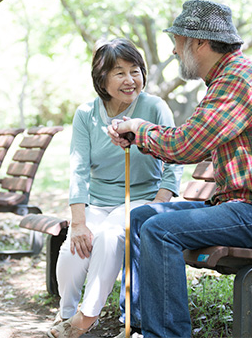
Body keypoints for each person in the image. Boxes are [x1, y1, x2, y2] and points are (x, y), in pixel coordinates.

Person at [108, 0, 252, 338]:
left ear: (198, 42)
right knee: (139, 218)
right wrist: (140, 136)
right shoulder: (228, 79)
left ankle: (166, 335)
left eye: (178, 41)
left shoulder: (238, 81)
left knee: (160, 230)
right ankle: (139, 327)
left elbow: (186, 145)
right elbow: (191, 139)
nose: (173, 50)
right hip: (243, 207)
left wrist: (140, 129)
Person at [47, 38, 184, 338]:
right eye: (119, 72)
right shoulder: (87, 114)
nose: (130, 79)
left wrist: (159, 203)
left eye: (135, 70)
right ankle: (67, 314)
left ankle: (85, 318)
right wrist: (79, 222)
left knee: (109, 238)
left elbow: (174, 161)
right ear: (102, 78)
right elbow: (78, 169)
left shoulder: (154, 107)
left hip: (140, 200)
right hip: (98, 201)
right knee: (74, 249)